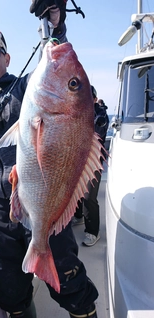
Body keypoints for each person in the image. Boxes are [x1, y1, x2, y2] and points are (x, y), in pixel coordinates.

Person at [0, 2, 99, 318]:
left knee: (70, 284)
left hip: (44, 201)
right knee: (11, 293)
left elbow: (59, 70)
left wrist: (56, 24)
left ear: (7, 58)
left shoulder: (28, 89)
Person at [72, 86, 109, 247]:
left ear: (94, 99)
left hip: (93, 163)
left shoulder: (100, 115)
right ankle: (78, 216)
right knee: (76, 192)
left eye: (89, 97)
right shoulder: (77, 112)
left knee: (89, 197)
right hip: (77, 161)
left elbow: (96, 131)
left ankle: (93, 232)